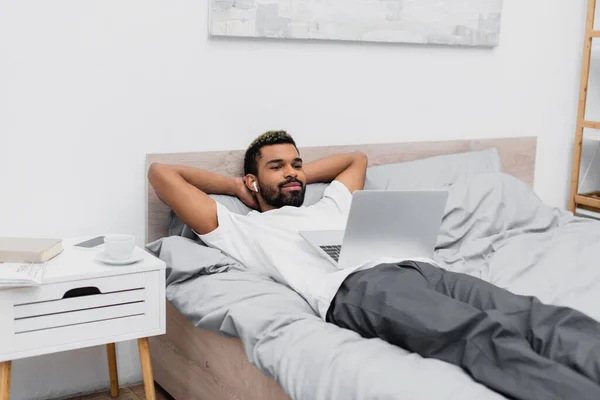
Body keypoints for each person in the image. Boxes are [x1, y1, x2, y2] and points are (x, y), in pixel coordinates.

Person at [148, 130, 600, 400]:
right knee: (477, 335)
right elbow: (163, 174)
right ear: (253, 178)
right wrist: (234, 185)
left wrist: (299, 174)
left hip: (423, 266)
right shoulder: (240, 228)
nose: (292, 172)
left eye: (298, 164)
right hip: (361, 287)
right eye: (277, 166)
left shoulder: (332, 204)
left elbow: (356, 159)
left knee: (534, 315)